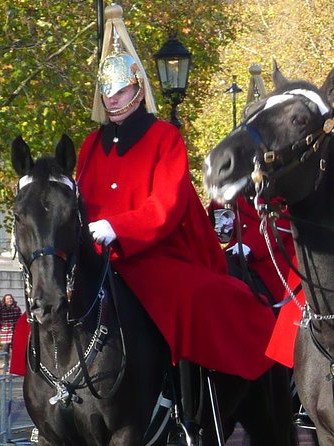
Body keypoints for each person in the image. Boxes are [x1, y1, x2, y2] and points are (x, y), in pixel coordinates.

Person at [75, 4, 276, 440]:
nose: (112, 100)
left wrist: (118, 228)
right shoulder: (90, 145)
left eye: (120, 91)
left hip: (150, 253)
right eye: (106, 93)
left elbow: (164, 207)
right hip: (97, 257)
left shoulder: (165, 137)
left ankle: (187, 405)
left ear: (136, 89)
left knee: (188, 299)